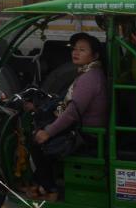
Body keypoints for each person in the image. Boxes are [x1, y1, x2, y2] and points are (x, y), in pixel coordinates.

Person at [28, 32, 108, 202]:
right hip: (84, 129)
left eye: (82, 50)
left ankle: (50, 188)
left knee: (37, 142)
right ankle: (38, 182)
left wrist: (48, 132)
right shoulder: (88, 72)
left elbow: (72, 113)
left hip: (87, 135)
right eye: (74, 49)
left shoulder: (89, 78)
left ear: (95, 55)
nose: (76, 52)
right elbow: (66, 103)